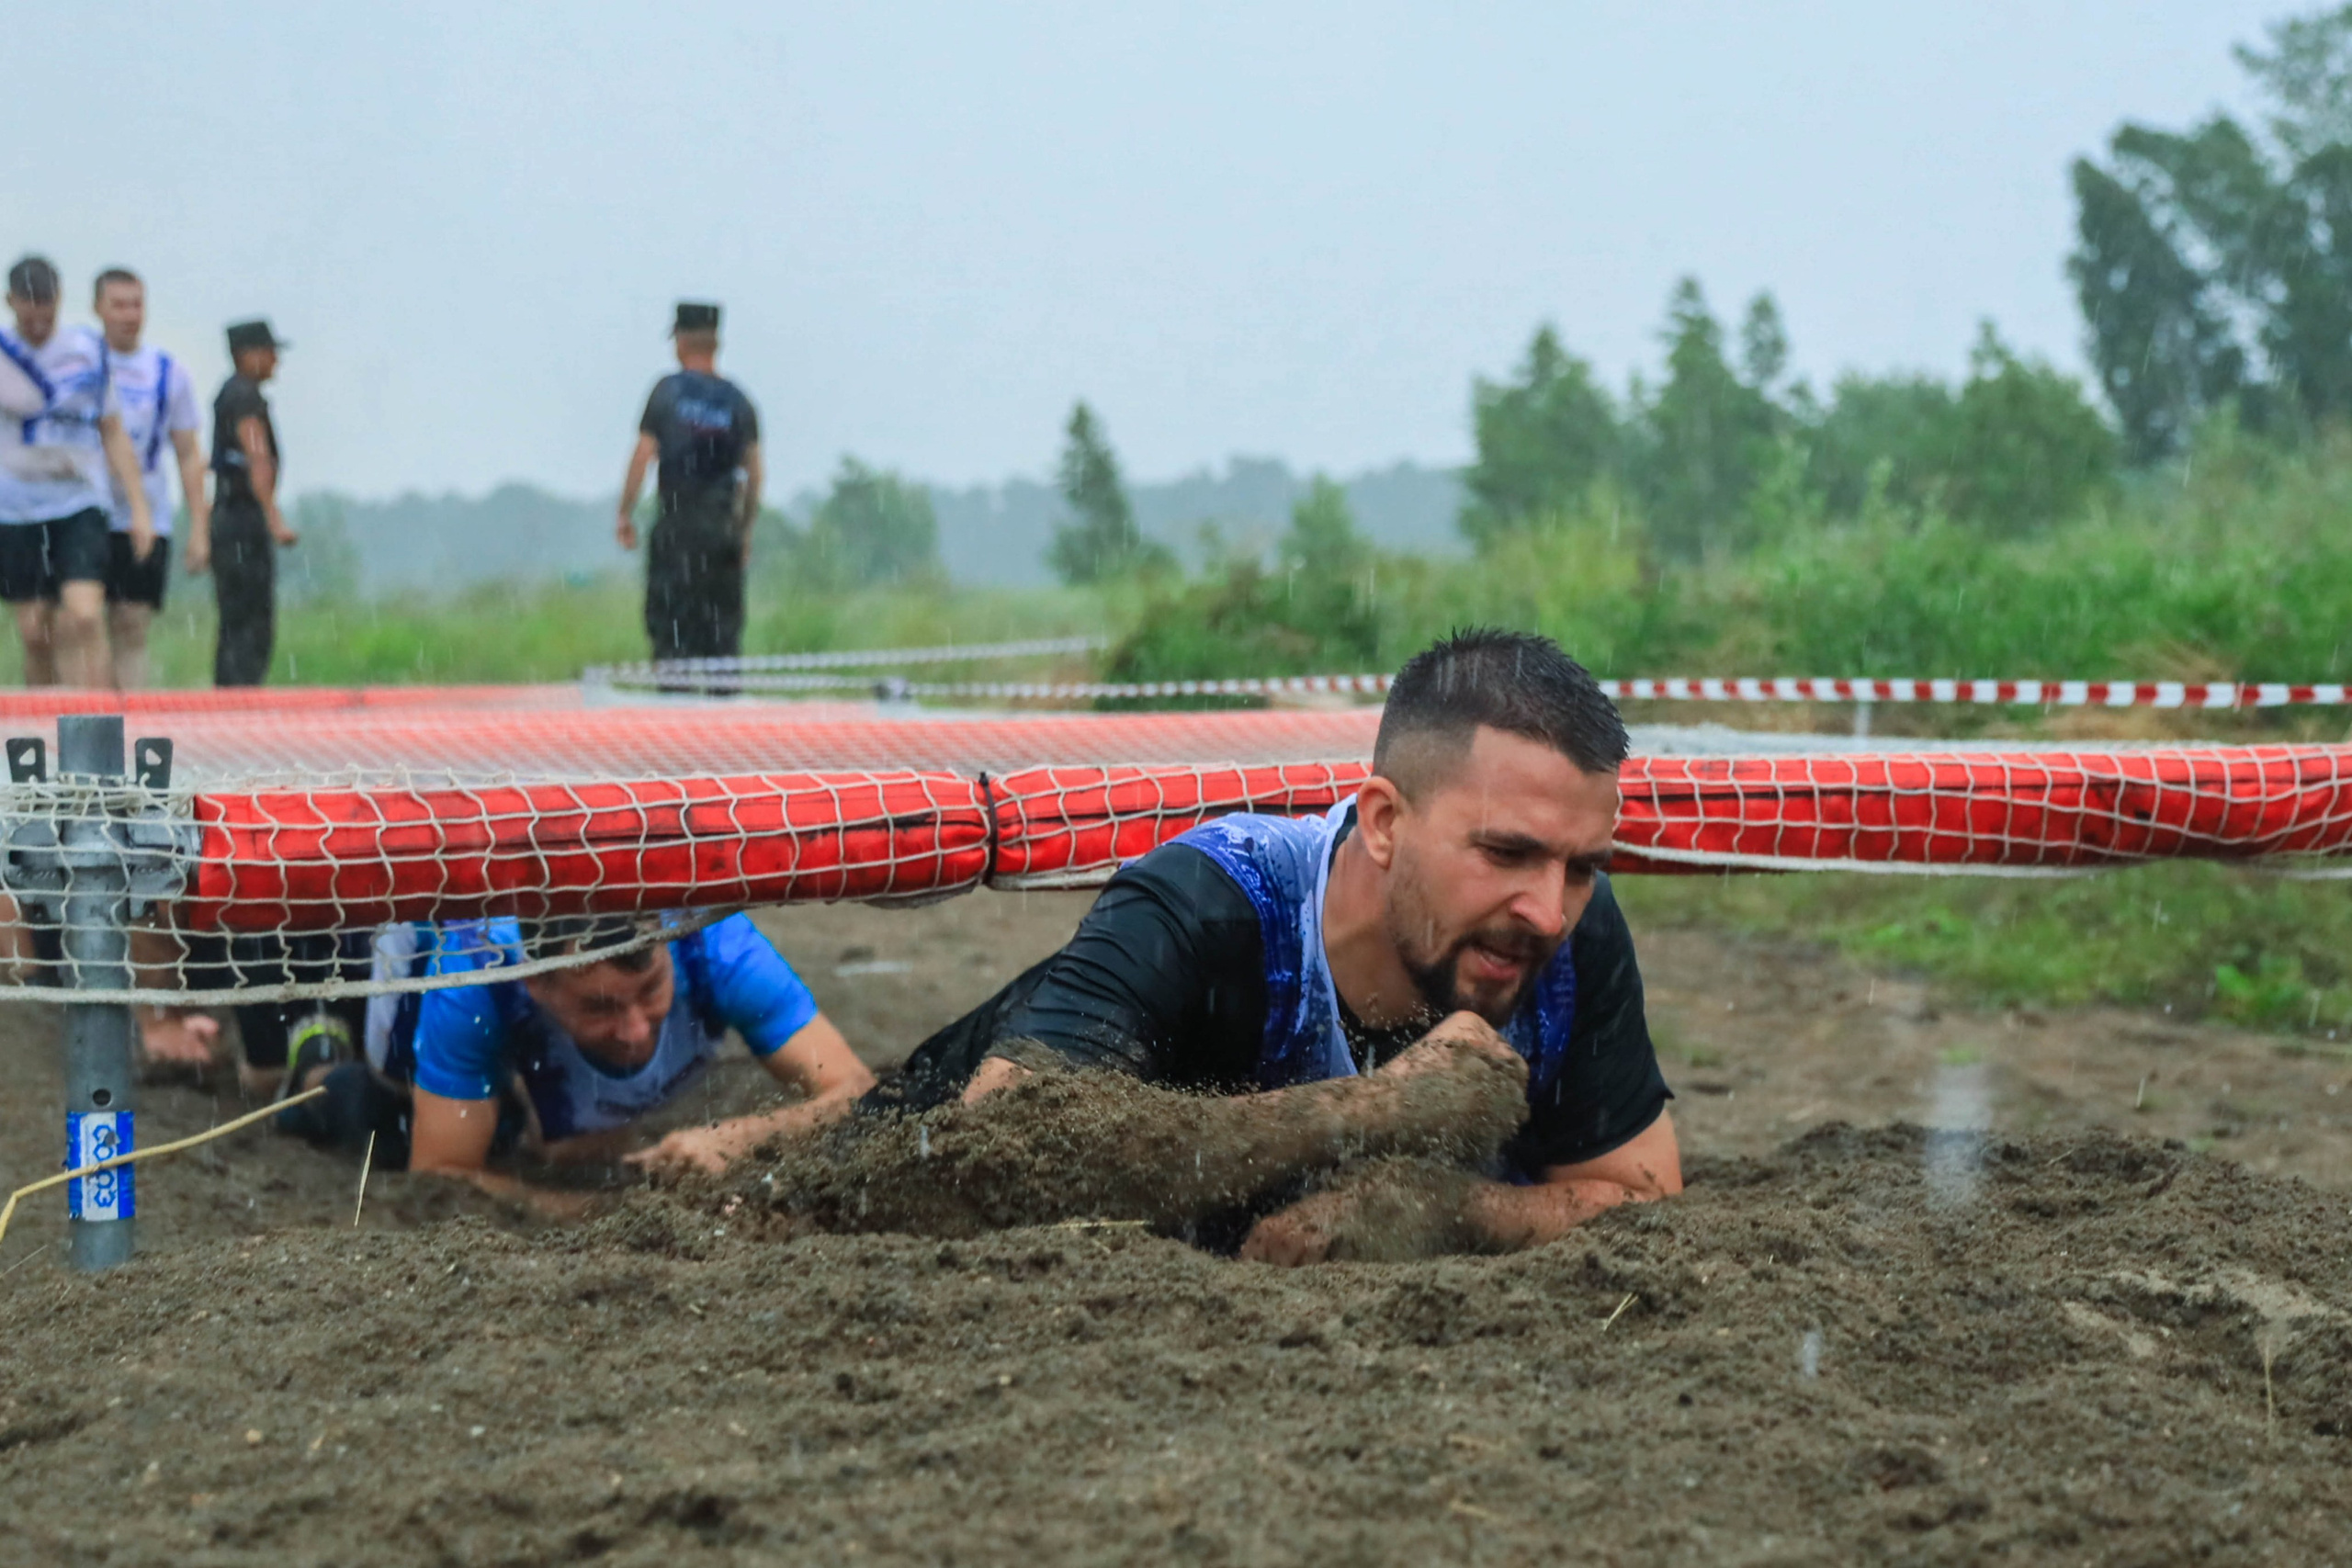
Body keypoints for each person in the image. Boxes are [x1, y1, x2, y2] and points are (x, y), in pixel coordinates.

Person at [883, 628, 1681, 1263]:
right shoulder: (1210, 904)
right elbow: (994, 1153)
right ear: (1384, 822)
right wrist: (1372, 1111)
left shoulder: (1572, 931)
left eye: (1581, 866)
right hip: (902, 1132)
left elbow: (1642, 1193)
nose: (1548, 910)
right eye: (1506, 853)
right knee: (782, 1153)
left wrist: (1442, 1208)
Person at [271, 913, 872, 1210]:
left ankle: (546, 1099)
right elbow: (439, 1175)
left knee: (571, 1137)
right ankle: (317, 1055)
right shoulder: (480, 974)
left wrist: (743, 1138)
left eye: (652, 991)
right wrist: (584, 1211)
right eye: (601, 1007)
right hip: (420, 960)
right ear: (541, 988)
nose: (636, 1029)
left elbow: (856, 1089)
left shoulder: (715, 941)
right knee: (386, 1119)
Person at [0, 256, 153, 686]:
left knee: (84, 615)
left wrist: (138, 508)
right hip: (15, 506)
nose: (38, 325)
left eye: (46, 314)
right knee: (35, 633)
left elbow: (113, 429)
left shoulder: (86, 352)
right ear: (10, 302)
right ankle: (43, 731)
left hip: (79, 499)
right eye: (28, 315)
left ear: (60, 301)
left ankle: (101, 722)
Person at [616, 301, 763, 665]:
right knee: (721, 638)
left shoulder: (667, 393)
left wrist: (625, 513)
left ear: (679, 342)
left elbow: (643, 455)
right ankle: (722, 709)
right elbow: (755, 474)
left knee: (672, 633)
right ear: (716, 343)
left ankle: (674, 703)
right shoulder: (739, 401)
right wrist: (743, 532)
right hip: (720, 528)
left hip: (677, 528)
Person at [93, 267, 208, 691]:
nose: (129, 315)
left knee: (132, 624)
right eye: (118, 305)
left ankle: (130, 721)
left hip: (147, 517)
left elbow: (188, 452)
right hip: (85, 511)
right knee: (81, 624)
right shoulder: (83, 363)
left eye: (136, 304)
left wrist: (199, 528)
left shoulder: (168, 372)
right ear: (98, 309)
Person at [194, 319, 296, 686]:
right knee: (250, 618)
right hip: (242, 518)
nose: (274, 362)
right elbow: (257, 455)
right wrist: (273, 516)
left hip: (229, 515)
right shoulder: (244, 397)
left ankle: (235, 689)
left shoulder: (231, 395)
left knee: (236, 616)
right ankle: (240, 695)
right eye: (269, 353)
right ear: (247, 355)